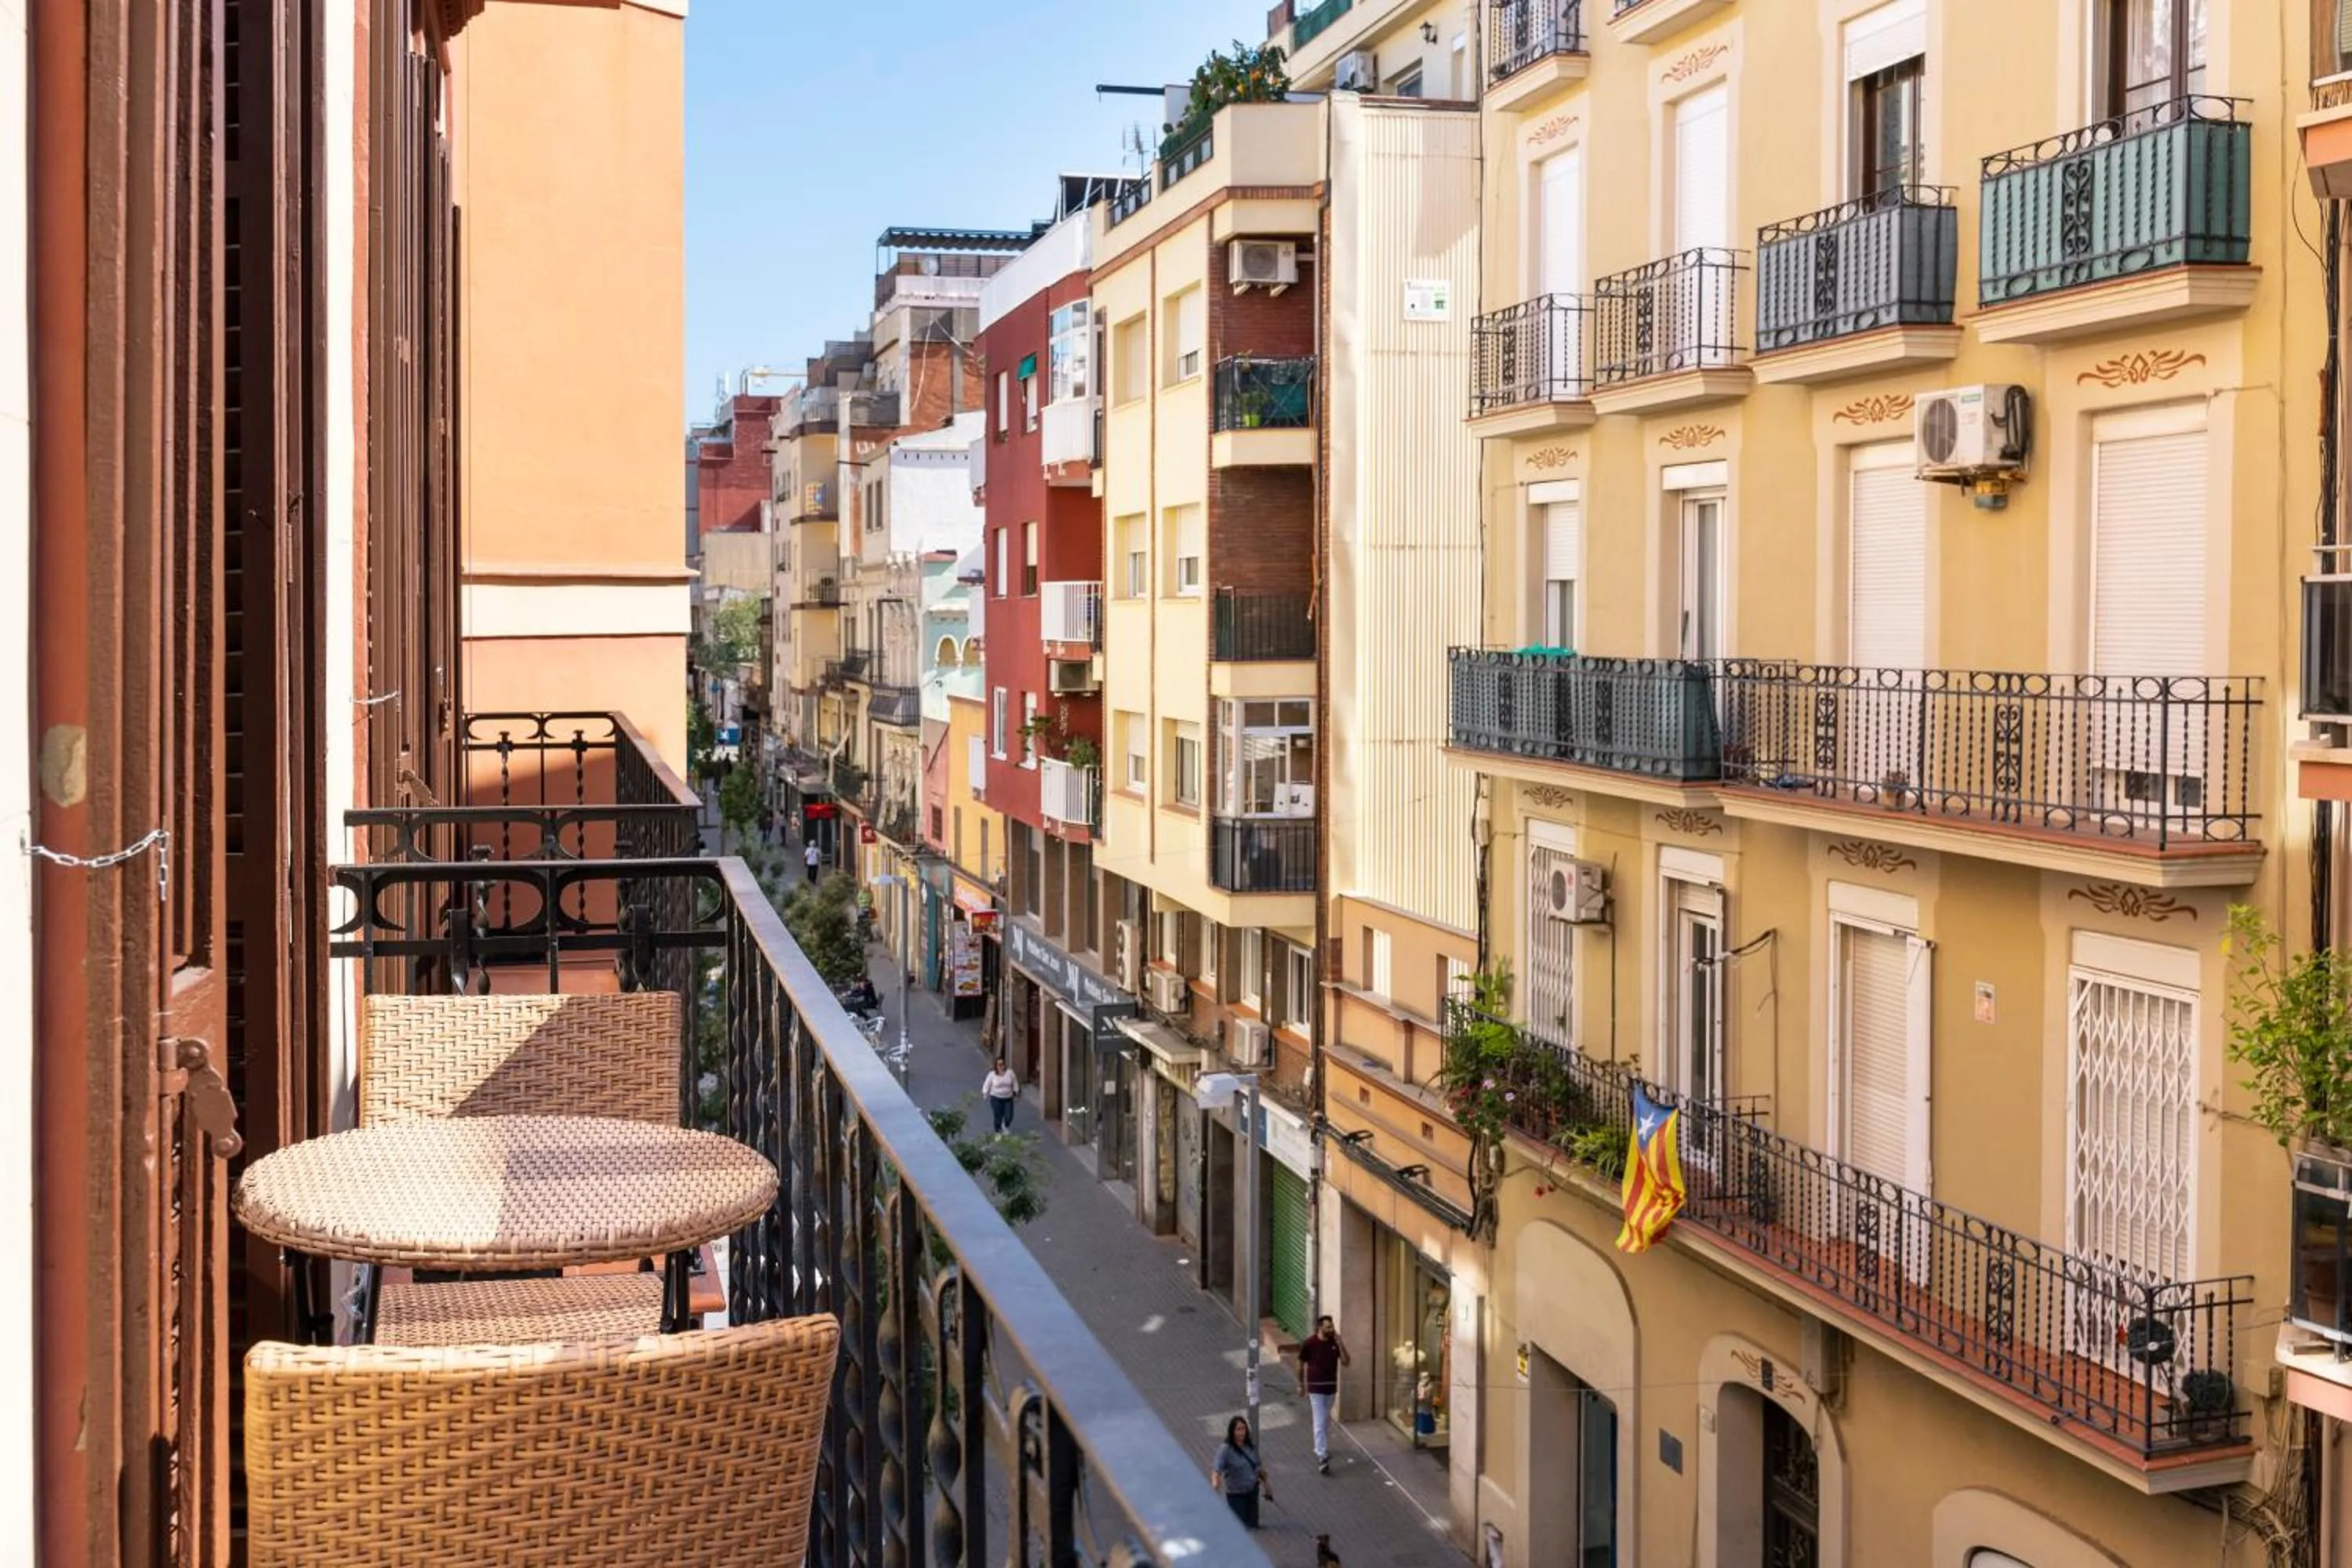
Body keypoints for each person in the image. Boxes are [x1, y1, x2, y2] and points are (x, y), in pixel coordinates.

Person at [1298, 1314, 1350, 1475]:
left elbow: (1346, 1361)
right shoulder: (1309, 1344)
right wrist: (1301, 1385)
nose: (1331, 1329)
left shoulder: (1334, 1343)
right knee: (1319, 1422)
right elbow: (1300, 1365)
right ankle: (1322, 1456)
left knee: (1326, 1420)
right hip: (1316, 1389)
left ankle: (1322, 1446)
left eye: (1332, 1327)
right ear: (1320, 1328)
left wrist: (1340, 1342)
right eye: (1328, 1327)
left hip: (1331, 1388)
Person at [1208, 1414, 1269, 1530]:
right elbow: (1217, 1469)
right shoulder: (1226, 1449)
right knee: (1240, 1527)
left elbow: (1258, 1467)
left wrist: (1267, 1487)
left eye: (1243, 1429)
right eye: (1238, 1429)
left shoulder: (1250, 1447)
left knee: (1253, 1526)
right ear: (1232, 1431)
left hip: (1252, 1492)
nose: (1241, 1433)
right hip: (1236, 1495)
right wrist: (1216, 1483)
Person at [981, 1056, 1019, 1134]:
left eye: (1003, 1064)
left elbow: (1015, 1082)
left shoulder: (1010, 1073)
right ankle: (998, 1132)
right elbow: (987, 1085)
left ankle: (1005, 1125)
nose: (1002, 1066)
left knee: (1009, 1116)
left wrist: (1016, 1092)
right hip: (996, 1098)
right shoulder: (992, 1075)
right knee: (998, 1116)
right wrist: (985, 1093)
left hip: (1008, 1098)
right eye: (1000, 1065)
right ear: (996, 1066)